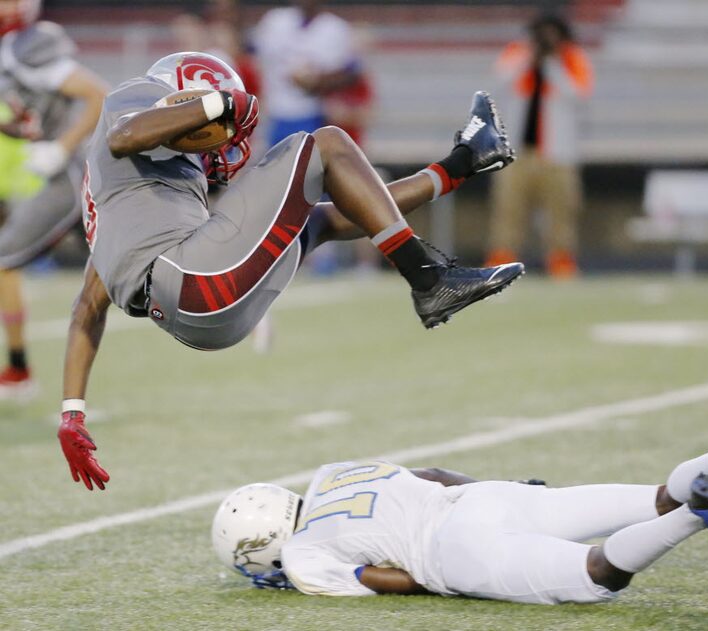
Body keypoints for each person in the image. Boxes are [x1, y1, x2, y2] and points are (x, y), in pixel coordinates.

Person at [56, 50, 522, 491]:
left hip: (199, 317)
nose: (220, 140)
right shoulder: (134, 95)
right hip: (192, 279)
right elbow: (125, 134)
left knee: (321, 218)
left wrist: (72, 414)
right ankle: (428, 280)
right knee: (327, 143)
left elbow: (86, 311)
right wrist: (222, 102)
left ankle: (462, 162)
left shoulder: (116, 211)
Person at [212, 433, 708, 603]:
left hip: (454, 550)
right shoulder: (330, 472)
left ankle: (701, 514)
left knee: (594, 576)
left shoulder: (299, 558)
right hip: (479, 498)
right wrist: (504, 491)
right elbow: (430, 474)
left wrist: (438, 582)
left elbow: (385, 578)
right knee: (655, 496)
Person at [0, 0, 107, 399]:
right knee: (127, 272)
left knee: (3, 259)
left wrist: (61, 147)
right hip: (62, 176)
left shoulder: (28, 45)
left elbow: (98, 94)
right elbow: (27, 119)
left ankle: (17, 371)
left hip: (70, 176)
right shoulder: (9, 50)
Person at [486, 12, 592, 279]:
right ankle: (501, 261)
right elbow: (500, 81)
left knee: (561, 211)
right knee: (509, 210)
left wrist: (552, 64)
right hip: (517, 152)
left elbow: (577, 95)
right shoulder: (519, 53)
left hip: (558, 154)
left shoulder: (571, 59)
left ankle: (561, 263)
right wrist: (531, 56)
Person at [253, 0, 360, 146]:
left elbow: (351, 73)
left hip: (312, 112)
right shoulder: (275, 21)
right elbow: (249, 53)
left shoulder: (335, 28)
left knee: (307, 163)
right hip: (273, 113)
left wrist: (317, 82)